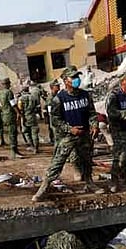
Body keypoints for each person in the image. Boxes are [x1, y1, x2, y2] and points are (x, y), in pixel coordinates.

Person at [32, 66, 104, 202]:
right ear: (66, 80)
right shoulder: (59, 99)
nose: (77, 80)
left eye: (78, 77)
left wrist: (94, 125)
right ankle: (45, 187)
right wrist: (70, 129)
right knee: (57, 162)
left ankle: (89, 182)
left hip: (84, 135)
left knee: (87, 161)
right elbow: (55, 121)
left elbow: (91, 113)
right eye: (73, 77)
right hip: (68, 136)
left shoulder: (85, 95)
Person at [0, 77, 24, 159]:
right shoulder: (8, 92)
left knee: (11, 133)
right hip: (10, 115)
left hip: (4, 115)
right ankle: (14, 152)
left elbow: (0, 105)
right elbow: (13, 104)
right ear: (7, 84)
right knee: (13, 133)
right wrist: (19, 113)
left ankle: (15, 151)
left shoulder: (0, 93)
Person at [19, 85, 40, 154]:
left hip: (25, 116)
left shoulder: (21, 99)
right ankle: (36, 148)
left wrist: (22, 117)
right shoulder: (33, 97)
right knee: (35, 133)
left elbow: (20, 108)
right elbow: (37, 105)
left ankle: (32, 146)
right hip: (33, 116)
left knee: (27, 133)